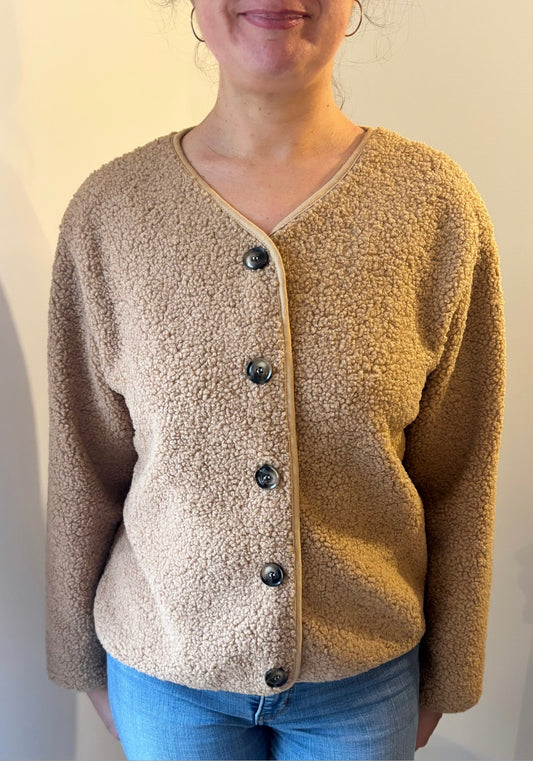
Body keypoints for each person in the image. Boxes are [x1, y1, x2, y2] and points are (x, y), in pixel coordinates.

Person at [45, 1, 506, 759]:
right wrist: (81, 662)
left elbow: (460, 472)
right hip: (165, 677)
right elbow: (83, 462)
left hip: (364, 682)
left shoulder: (436, 211)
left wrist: (450, 675)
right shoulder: (111, 215)